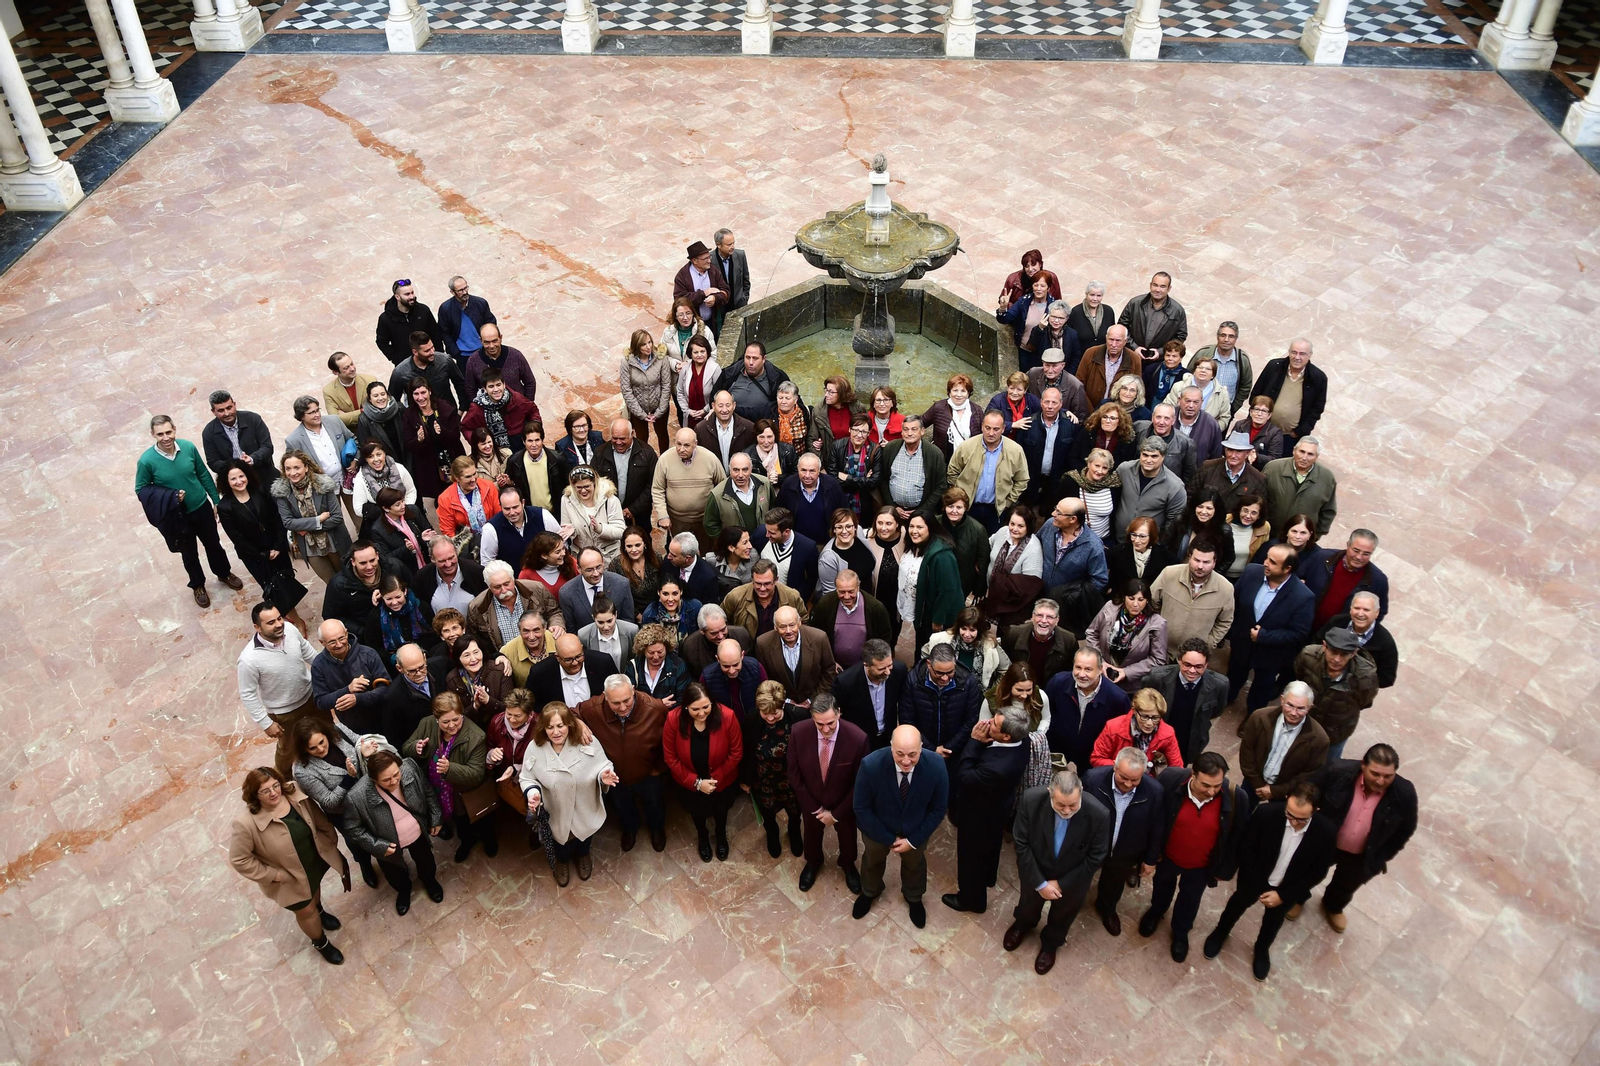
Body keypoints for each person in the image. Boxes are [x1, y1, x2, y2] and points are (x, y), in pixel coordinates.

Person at [1203, 780, 1335, 981]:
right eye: (1289, 813)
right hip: (1254, 878)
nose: (1292, 821)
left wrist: (1283, 895)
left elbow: (1317, 872)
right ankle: (1221, 932)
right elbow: (1246, 848)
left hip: (1287, 888)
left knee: (1273, 922)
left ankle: (1261, 949)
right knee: (1237, 905)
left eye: (1300, 819)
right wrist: (1256, 882)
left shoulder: (1325, 832)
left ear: (1315, 810)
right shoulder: (1266, 814)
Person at [229, 767, 350, 965]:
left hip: (312, 860)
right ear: (254, 795)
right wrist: (274, 875)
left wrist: (329, 836)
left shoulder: (293, 792)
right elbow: (239, 860)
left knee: (314, 889)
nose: (274, 792)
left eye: (275, 785)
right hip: (287, 878)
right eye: (265, 791)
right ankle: (320, 943)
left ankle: (320, 911)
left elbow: (315, 815)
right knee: (305, 910)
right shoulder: (245, 824)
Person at [1139, 753, 1249, 961]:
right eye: (1206, 785)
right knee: (1161, 886)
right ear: (1193, 775)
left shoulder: (1236, 797)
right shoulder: (1171, 780)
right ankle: (1156, 911)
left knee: (1190, 899)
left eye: (1217, 786)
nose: (1212, 791)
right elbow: (1155, 820)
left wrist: (1224, 870)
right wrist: (1151, 855)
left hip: (1201, 865)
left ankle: (1180, 932)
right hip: (1168, 857)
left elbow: (1237, 839)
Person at [1005, 769, 1109, 974]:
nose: (1067, 810)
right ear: (1050, 793)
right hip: (1035, 871)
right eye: (1061, 804)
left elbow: (1096, 857)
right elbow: (1022, 843)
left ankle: (1051, 943)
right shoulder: (1031, 800)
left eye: (1073, 805)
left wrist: (1061, 884)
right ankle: (1023, 925)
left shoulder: (1099, 814)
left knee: (1063, 914)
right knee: (1028, 903)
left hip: (1073, 879)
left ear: (1081, 793)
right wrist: (1040, 883)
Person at [135, 415, 243, 607]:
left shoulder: (188, 447)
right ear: (152, 435)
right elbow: (141, 489)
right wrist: (170, 496)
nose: (166, 437)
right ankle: (197, 585)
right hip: (177, 515)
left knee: (214, 544)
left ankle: (223, 573)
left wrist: (215, 500)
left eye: (168, 432)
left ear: (174, 429)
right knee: (189, 553)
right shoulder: (146, 461)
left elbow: (202, 473)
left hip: (201, 507)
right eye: (160, 434)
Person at [1311, 744, 1417, 932]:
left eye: (1387, 776)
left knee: (1346, 885)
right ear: (1363, 765)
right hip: (1326, 843)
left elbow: (1405, 829)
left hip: (1363, 854)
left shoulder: (1405, 793)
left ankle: (1333, 906)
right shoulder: (1337, 771)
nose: (1380, 781)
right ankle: (1297, 897)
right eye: (1375, 774)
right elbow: (1310, 793)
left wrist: (1381, 856)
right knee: (1309, 870)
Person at [852, 724, 949, 927]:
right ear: (891, 747)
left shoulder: (936, 765)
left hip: (916, 832)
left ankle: (913, 897)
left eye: (913, 754)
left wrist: (913, 840)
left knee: (915, 865)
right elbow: (861, 808)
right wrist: (888, 838)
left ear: (921, 747)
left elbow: (938, 809)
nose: (906, 761)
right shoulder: (870, 765)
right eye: (900, 754)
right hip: (877, 831)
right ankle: (870, 891)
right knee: (872, 861)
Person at [943, 709, 1032, 914]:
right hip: (1000, 805)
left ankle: (971, 900)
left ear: (1006, 736)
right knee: (992, 844)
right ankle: (989, 876)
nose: (987, 723)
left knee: (971, 856)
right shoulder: (1023, 739)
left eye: (993, 724)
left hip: (978, 814)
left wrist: (974, 741)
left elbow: (964, 777)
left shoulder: (996, 767)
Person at [520, 702, 619, 885]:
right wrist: (533, 792)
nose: (556, 732)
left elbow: (602, 764)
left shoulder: (586, 740)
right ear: (543, 728)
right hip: (556, 810)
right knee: (561, 844)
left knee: (584, 839)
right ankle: (562, 862)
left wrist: (603, 776)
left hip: (585, 805)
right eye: (550, 727)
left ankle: (583, 856)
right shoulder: (535, 748)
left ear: (569, 725)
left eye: (560, 726)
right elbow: (527, 777)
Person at [574, 674, 671, 852]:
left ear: (633, 691)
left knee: (655, 804)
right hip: (615, 776)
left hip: (649, 773)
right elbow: (570, 712)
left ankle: (657, 830)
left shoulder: (655, 709)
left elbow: (668, 740)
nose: (623, 707)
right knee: (623, 806)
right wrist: (577, 722)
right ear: (605, 696)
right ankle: (630, 830)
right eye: (616, 703)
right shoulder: (593, 708)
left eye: (627, 700)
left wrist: (659, 768)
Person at [342, 748, 443, 915]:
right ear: (373, 779)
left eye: (396, 774)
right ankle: (403, 890)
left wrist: (436, 817)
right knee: (394, 872)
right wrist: (376, 845)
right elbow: (353, 828)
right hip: (387, 843)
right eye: (386, 780)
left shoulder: (409, 768)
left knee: (425, 860)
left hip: (417, 832)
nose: (394, 781)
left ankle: (429, 881)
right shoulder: (356, 796)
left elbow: (427, 791)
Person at [216, 460, 308, 630]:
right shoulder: (225, 506)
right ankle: (295, 620)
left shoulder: (259, 490)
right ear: (226, 482)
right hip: (254, 556)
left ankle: (287, 609)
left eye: (241, 476)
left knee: (287, 580)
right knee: (273, 588)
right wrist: (264, 554)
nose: (239, 481)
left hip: (276, 547)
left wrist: (278, 545)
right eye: (233, 479)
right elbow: (237, 538)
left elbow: (276, 518)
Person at [1084, 747, 1166, 935]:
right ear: (1114, 767)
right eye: (1124, 777)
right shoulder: (1092, 779)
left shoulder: (1155, 792)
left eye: (1135, 780)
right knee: (1080, 880)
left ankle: (1106, 909)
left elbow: (1157, 827)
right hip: (1092, 847)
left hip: (1126, 852)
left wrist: (1151, 859)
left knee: (1113, 885)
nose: (1128, 784)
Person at [238, 603, 325, 776]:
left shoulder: (291, 630)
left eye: (279, 618)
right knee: (288, 749)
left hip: (312, 696)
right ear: (257, 627)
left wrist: (325, 670)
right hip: (285, 713)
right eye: (270, 622)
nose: (279, 624)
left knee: (325, 730)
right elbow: (247, 694)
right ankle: (282, 778)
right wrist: (265, 723)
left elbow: (307, 650)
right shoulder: (248, 659)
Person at [1227, 546, 1316, 712]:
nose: (1266, 563)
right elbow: (1234, 601)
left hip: (1271, 655)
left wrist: (1265, 636)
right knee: (1233, 675)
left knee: (1261, 689)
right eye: (1267, 558)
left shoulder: (1303, 597)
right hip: (1241, 644)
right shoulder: (1252, 572)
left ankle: (1253, 717)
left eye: (1273, 562)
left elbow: (1299, 632)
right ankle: (1226, 699)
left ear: (1288, 568)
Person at [404, 691, 490, 862]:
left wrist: (450, 769)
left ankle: (489, 841)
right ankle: (466, 842)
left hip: (465, 792)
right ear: (436, 719)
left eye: (456, 719)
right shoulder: (426, 724)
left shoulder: (476, 736)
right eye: (445, 722)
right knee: (461, 822)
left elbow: (476, 774)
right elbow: (406, 747)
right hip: (438, 788)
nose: (452, 726)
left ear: (462, 714)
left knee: (480, 820)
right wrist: (416, 747)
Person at [664, 681, 744, 862]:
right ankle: (703, 836)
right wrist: (697, 783)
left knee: (721, 811)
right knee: (697, 812)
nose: (701, 713)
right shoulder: (673, 719)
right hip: (689, 783)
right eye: (695, 709)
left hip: (721, 782)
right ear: (685, 707)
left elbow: (736, 752)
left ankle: (721, 835)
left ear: (712, 703)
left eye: (706, 707)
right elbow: (670, 757)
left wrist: (714, 780)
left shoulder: (728, 717)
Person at [1293, 628, 1379, 761]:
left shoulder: (1365, 677)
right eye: (1333, 652)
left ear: (1354, 653)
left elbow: (1365, 701)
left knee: (1328, 766)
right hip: (1303, 722)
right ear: (1324, 646)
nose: (1337, 659)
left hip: (1336, 732)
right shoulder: (1308, 656)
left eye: (1344, 654)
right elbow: (1299, 677)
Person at [1042, 646, 1133, 772]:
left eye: (1088, 669)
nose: (1082, 674)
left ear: (1100, 670)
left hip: (1092, 763)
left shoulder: (1117, 698)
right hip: (1056, 757)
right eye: (1078, 667)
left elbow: (1122, 735)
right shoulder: (1057, 683)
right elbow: (1045, 716)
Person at [742, 680, 806, 858]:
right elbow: (746, 752)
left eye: (775, 714)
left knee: (794, 811)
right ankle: (772, 834)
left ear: (783, 705)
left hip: (791, 779)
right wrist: (746, 780)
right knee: (768, 813)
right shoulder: (751, 719)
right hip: (764, 780)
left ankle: (794, 832)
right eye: (765, 713)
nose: (770, 718)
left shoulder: (799, 716)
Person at [1239, 681, 1330, 804]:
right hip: (1252, 782)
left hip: (1287, 794)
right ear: (1282, 700)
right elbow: (1247, 752)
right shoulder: (1258, 718)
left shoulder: (1319, 740)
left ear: (1309, 707)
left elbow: (1309, 774)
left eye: (1300, 708)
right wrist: (1258, 784)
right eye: (1290, 705)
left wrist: (1276, 791)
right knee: (1240, 814)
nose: (1293, 713)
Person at [898, 643, 984, 765]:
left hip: (955, 752)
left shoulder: (968, 682)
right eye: (939, 673)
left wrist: (949, 748)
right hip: (922, 752)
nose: (945, 678)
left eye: (950, 672)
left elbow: (971, 720)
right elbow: (907, 719)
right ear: (929, 665)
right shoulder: (913, 681)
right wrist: (931, 749)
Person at [946, 410, 1029, 535]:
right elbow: (952, 471)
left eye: (996, 429)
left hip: (996, 509)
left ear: (1003, 428)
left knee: (992, 542)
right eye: (987, 428)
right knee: (965, 539)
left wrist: (1008, 501)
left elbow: (1022, 479)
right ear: (982, 427)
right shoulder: (967, 446)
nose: (991, 433)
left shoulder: (1015, 450)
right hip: (969, 506)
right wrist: (959, 497)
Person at [1148, 541, 1234, 657]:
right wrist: (1157, 631)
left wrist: (1208, 643)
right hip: (1160, 648)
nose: (1200, 566)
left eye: (1206, 562)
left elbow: (1224, 621)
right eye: (1197, 560)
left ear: (1214, 563)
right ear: (1189, 558)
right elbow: (1152, 601)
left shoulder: (1225, 588)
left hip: (1194, 657)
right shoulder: (1169, 574)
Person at [1085, 579, 1169, 693]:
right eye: (1131, 598)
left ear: (1147, 600)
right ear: (1124, 597)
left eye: (1141, 600)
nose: (1135, 604)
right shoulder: (1110, 608)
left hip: (1132, 686)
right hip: (1102, 677)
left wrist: (1126, 672)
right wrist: (1100, 662)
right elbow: (1092, 633)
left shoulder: (1157, 624)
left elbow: (1158, 660)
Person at [1036, 498, 1110, 625]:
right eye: (1055, 509)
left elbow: (1099, 580)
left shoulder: (1093, 546)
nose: (1053, 514)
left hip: (1065, 608)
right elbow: (1035, 543)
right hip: (1039, 596)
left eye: (1058, 512)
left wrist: (1073, 595)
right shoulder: (1049, 525)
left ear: (1073, 519)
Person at [310, 619, 390, 730]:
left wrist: (358, 698)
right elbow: (321, 702)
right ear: (322, 642)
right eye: (332, 642)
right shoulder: (318, 666)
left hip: (381, 718)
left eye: (341, 638)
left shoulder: (368, 654)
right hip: (351, 725)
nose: (339, 644)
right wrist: (347, 689)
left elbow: (386, 689)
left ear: (346, 633)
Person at [469, 561, 564, 654]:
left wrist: (557, 624)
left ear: (513, 579)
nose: (504, 590)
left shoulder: (536, 590)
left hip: (543, 653)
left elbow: (554, 612)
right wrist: (496, 657)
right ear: (489, 586)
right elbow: (476, 641)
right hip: (506, 661)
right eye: (497, 587)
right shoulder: (478, 607)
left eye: (507, 584)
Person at [1300, 527, 1389, 627]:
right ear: (1348, 545)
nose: (1359, 557)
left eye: (1366, 554)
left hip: (1334, 636)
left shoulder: (1378, 580)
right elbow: (1295, 577)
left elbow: (1379, 612)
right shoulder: (1322, 557)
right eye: (1356, 550)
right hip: (1301, 623)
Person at [902, 512, 965, 651]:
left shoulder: (942, 556)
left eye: (919, 527)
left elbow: (948, 591)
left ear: (930, 528)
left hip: (938, 618)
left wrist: (938, 620)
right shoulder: (922, 546)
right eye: (911, 526)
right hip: (926, 611)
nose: (914, 531)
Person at [1251, 338, 1328, 449]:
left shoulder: (1318, 378)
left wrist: (1300, 431)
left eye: (1302, 354)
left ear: (1310, 355)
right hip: (1261, 429)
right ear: (1289, 352)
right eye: (1294, 352)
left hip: (1290, 437)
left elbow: (1317, 409)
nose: (1297, 357)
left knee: (1279, 465)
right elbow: (1256, 394)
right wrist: (1258, 417)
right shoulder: (1274, 366)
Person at [809, 570, 892, 670]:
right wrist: (829, 662)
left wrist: (872, 664)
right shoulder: (825, 605)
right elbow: (816, 636)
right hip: (834, 667)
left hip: (865, 669)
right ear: (836, 589)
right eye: (842, 592)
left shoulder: (875, 608)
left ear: (858, 587)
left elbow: (885, 639)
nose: (847, 596)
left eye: (851, 591)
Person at [754, 605, 835, 706]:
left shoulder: (819, 638)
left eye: (792, 625)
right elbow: (764, 679)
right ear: (775, 627)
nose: (788, 631)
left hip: (815, 704)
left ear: (799, 622)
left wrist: (813, 700)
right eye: (783, 627)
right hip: (782, 706)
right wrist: (785, 701)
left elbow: (829, 671)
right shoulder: (763, 643)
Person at [1262, 436, 1338, 545]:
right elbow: (1260, 498)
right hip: (1269, 535)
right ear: (1294, 451)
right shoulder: (1273, 468)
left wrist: (1315, 536)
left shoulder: (1327, 478)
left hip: (1301, 542)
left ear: (1316, 457)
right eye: (1302, 452)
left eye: (1310, 454)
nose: (1304, 457)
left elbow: (1328, 511)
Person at [652, 428, 722, 545]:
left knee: (709, 553)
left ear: (695, 444)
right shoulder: (665, 459)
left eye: (686, 445)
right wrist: (662, 515)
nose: (681, 449)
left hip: (705, 519)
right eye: (678, 444)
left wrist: (718, 514)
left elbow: (721, 486)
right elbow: (657, 489)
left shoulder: (710, 458)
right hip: (677, 520)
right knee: (681, 554)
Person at [832, 638, 905, 751]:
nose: (888, 672)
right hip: (860, 741)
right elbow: (839, 716)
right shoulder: (845, 682)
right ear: (866, 665)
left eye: (889, 665)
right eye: (881, 668)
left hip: (888, 738)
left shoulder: (899, 671)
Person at [1313, 591, 1397, 689]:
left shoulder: (1385, 643)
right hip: (1320, 683)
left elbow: (1387, 678)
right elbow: (1315, 644)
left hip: (1352, 697)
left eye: (1366, 610)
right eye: (1357, 608)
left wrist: (1353, 681)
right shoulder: (1336, 622)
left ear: (1376, 613)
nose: (1360, 614)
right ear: (1350, 609)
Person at [1112, 437, 1187, 544]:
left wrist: (1160, 545)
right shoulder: (1124, 470)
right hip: (1119, 540)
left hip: (1150, 546)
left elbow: (1174, 522)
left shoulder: (1175, 486)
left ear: (1163, 457)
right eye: (1145, 455)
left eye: (1154, 456)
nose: (1148, 460)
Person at [1090, 688, 1185, 769]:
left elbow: (1177, 768)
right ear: (1134, 711)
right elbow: (1097, 758)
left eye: (1155, 718)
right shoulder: (1114, 727)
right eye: (1144, 716)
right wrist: (1122, 767)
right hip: (1117, 776)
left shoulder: (1167, 733)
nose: (1149, 723)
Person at [982, 504, 1044, 626]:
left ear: (1028, 527)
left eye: (1020, 526)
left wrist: (1000, 584)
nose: (1014, 529)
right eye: (1012, 524)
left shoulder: (1033, 549)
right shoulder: (1002, 532)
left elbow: (1030, 584)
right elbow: (989, 544)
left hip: (1011, 604)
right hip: (990, 595)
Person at [1019, 385, 1078, 512]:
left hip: (1056, 482)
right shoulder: (1028, 424)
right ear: (1041, 402)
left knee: (1050, 514)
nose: (1050, 406)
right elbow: (1018, 454)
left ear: (1061, 404)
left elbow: (1073, 456)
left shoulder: (1070, 425)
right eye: (1046, 402)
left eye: (1054, 402)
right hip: (1030, 480)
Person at [480, 484, 562, 572]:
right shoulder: (491, 529)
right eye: (507, 509)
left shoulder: (543, 516)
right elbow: (488, 566)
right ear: (500, 506)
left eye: (515, 507)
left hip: (546, 575)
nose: (512, 512)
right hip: (513, 582)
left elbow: (561, 545)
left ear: (522, 503)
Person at [367, 572, 442, 668]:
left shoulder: (421, 607)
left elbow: (434, 634)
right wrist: (394, 658)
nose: (394, 602)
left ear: (405, 591)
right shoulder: (376, 615)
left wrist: (419, 652)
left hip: (426, 659)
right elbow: (373, 646)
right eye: (389, 599)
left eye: (398, 597)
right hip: (395, 666)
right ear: (382, 596)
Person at [925, 607, 1010, 688]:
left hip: (977, 695)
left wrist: (993, 692)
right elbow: (926, 654)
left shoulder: (990, 646)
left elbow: (1005, 670)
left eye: (972, 630)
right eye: (964, 628)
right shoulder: (942, 639)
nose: (967, 634)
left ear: (979, 630)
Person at [594, 419, 656, 529]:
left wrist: (633, 509)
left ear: (632, 434)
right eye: (615, 438)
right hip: (609, 514)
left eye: (622, 438)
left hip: (639, 515)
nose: (618, 442)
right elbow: (594, 482)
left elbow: (653, 485)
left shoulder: (646, 453)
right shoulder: (600, 453)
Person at [776, 451, 847, 546]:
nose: (807, 475)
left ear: (819, 471)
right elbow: (778, 513)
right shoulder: (788, 485)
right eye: (803, 470)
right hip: (796, 545)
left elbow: (843, 513)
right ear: (798, 469)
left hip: (826, 544)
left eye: (812, 471)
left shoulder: (832, 485)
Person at [445, 634, 517, 728]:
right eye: (466, 655)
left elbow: (511, 708)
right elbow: (456, 716)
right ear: (459, 659)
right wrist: (475, 706)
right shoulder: (452, 679)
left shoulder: (499, 670)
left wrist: (488, 700)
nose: (473, 659)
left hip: (502, 727)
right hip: (470, 729)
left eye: (476, 652)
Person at [620, 328, 674, 453]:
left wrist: (660, 411)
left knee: (662, 434)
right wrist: (640, 414)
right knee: (642, 438)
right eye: (644, 344)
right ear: (636, 346)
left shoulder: (661, 359)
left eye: (650, 342)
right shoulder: (627, 362)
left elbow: (666, 385)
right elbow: (626, 390)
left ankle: (664, 459)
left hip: (659, 406)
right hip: (638, 407)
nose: (648, 347)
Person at [722, 558, 805, 637]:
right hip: (747, 648)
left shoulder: (792, 597)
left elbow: (803, 622)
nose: (762, 588)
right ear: (752, 580)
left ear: (776, 580)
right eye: (758, 583)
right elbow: (722, 622)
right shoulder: (736, 596)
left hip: (780, 648)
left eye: (767, 584)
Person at [529, 632, 613, 710]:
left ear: (582, 649)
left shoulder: (602, 663)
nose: (575, 663)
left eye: (578, 656)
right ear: (557, 657)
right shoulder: (540, 673)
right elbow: (535, 705)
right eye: (568, 660)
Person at [461, 370, 539, 454]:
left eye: (498, 385)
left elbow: (533, 411)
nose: (496, 389)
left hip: (521, 445)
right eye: (491, 386)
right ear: (485, 389)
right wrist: (479, 442)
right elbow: (465, 428)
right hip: (495, 451)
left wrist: (535, 428)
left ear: (504, 384)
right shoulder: (477, 408)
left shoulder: (516, 399)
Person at [364, 486, 433, 580]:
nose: (403, 505)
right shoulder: (378, 530)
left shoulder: (412, 510)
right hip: (408, 571)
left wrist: (424, 539)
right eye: (398, 504)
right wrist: (405, 549)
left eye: (402, 501)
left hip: (428, 562)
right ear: (386, 508)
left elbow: (429, 530)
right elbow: (385, 558)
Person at [936, 487, 991, 603]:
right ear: (944, 507)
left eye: (959, 507)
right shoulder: (935, 524)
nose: (954, 511)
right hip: (937, 580)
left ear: (966, 508)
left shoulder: (978, 530)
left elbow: (983, 561)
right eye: (950, 506)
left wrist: (978, 590)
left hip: (963, 584)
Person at [1188, 320, 1254, 418]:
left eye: (1231, 336)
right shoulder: (1203, 354)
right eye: (1223, 335)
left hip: (1222, 414)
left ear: (1236, 339)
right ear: (1217, 336)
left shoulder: (1242, 360)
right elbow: (1188, 375)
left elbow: (1245, 387)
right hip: (1196, 409)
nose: (1226, 339)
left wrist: (1232, 408)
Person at [703, 452, 771, 546]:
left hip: (763, 542)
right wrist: (727, 543)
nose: (740, 475)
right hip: (735, 549)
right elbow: (710, 524)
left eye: (745, 470)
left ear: (751, 469)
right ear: (729, 470)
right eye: (736, 470)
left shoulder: (765, 484)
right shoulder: (717, 494)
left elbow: (773, 510)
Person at [201, 389, 274, 477]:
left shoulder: (253, 419)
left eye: (229, 408)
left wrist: (252, 459)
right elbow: (213, 462)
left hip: (263, 473)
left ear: (234, 405)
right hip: (233, 480)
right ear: (213, 412)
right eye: (221, 410)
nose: (227, 413)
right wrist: (234, 466)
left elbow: (267, 447)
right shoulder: (209, 433)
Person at [1002, 598, 1077, 683]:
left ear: (1057, 620)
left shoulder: (1069, 641)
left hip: (1050, 690)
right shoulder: (1013, 634)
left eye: (1050, 617)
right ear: (1033, 617)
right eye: (1039, 615)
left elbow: (1070, 673)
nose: (1044, 621)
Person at [1119, 271, 1188, 362]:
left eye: (1162, 286)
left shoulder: (1177, 311)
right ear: (1150, 285)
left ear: (1169, 288)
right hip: (1131, 356)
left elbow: (1180, 336)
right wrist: (1134, 347)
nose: (1158, 289)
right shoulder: (1135, 303)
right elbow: (1122, 327)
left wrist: (1161, 351)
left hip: (1158, 362)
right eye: (1155, 285)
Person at [562, 466, 625, 565]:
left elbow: (621, 531)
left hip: (609, 559)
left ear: (595, 483)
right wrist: (572, 531)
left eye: (587, 486)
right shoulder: (566, 500)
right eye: (579, 487)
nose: (583, 491)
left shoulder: (610, 499)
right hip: (583, 558)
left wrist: (600, 528)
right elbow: (566, 526)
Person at [506, 420, 570, 519]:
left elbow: (567, 485)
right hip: (529, 515)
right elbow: (510, 486)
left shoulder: (557, 459)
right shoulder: (515, 461)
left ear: (542, 440)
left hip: (555, 514)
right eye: (530, 441)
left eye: (537, 440)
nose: (534, 445)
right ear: (524, 441)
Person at [464, 322, 540, 404]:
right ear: (480, 341)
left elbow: (530, 382)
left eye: (495, 341)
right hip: (489, 412)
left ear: (500, 338)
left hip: (517, 407)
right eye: (487, 342)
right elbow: (470, 389)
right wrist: (480, 409)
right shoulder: (473, 361)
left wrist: (526, 405)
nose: (491, 346)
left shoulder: (515, 355)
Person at [817, 508, 886, 598]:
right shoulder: (828, 558)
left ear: (855, 527)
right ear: (834, 529)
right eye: (839, 527)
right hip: (848, 604)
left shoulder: (859, 533)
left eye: (849, 526)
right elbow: (830, 595)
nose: (844, 531)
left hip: (868, 597)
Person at [1105, 516, 1176, 602]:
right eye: (1134, 535)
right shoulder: (1117, 552)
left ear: (1151, 536)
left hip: (1150, 604)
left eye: (1142, 536)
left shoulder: (1164, 555)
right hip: (1121, 601)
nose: (1137, 540)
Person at [1059, 447, 1121, 544]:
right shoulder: (1072, 481)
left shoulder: (1114, 485)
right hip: (1075, 540)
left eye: (1105, 468)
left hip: (1104, 541)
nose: (1100, 471)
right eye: (1097, 465)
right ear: (1088, 463)